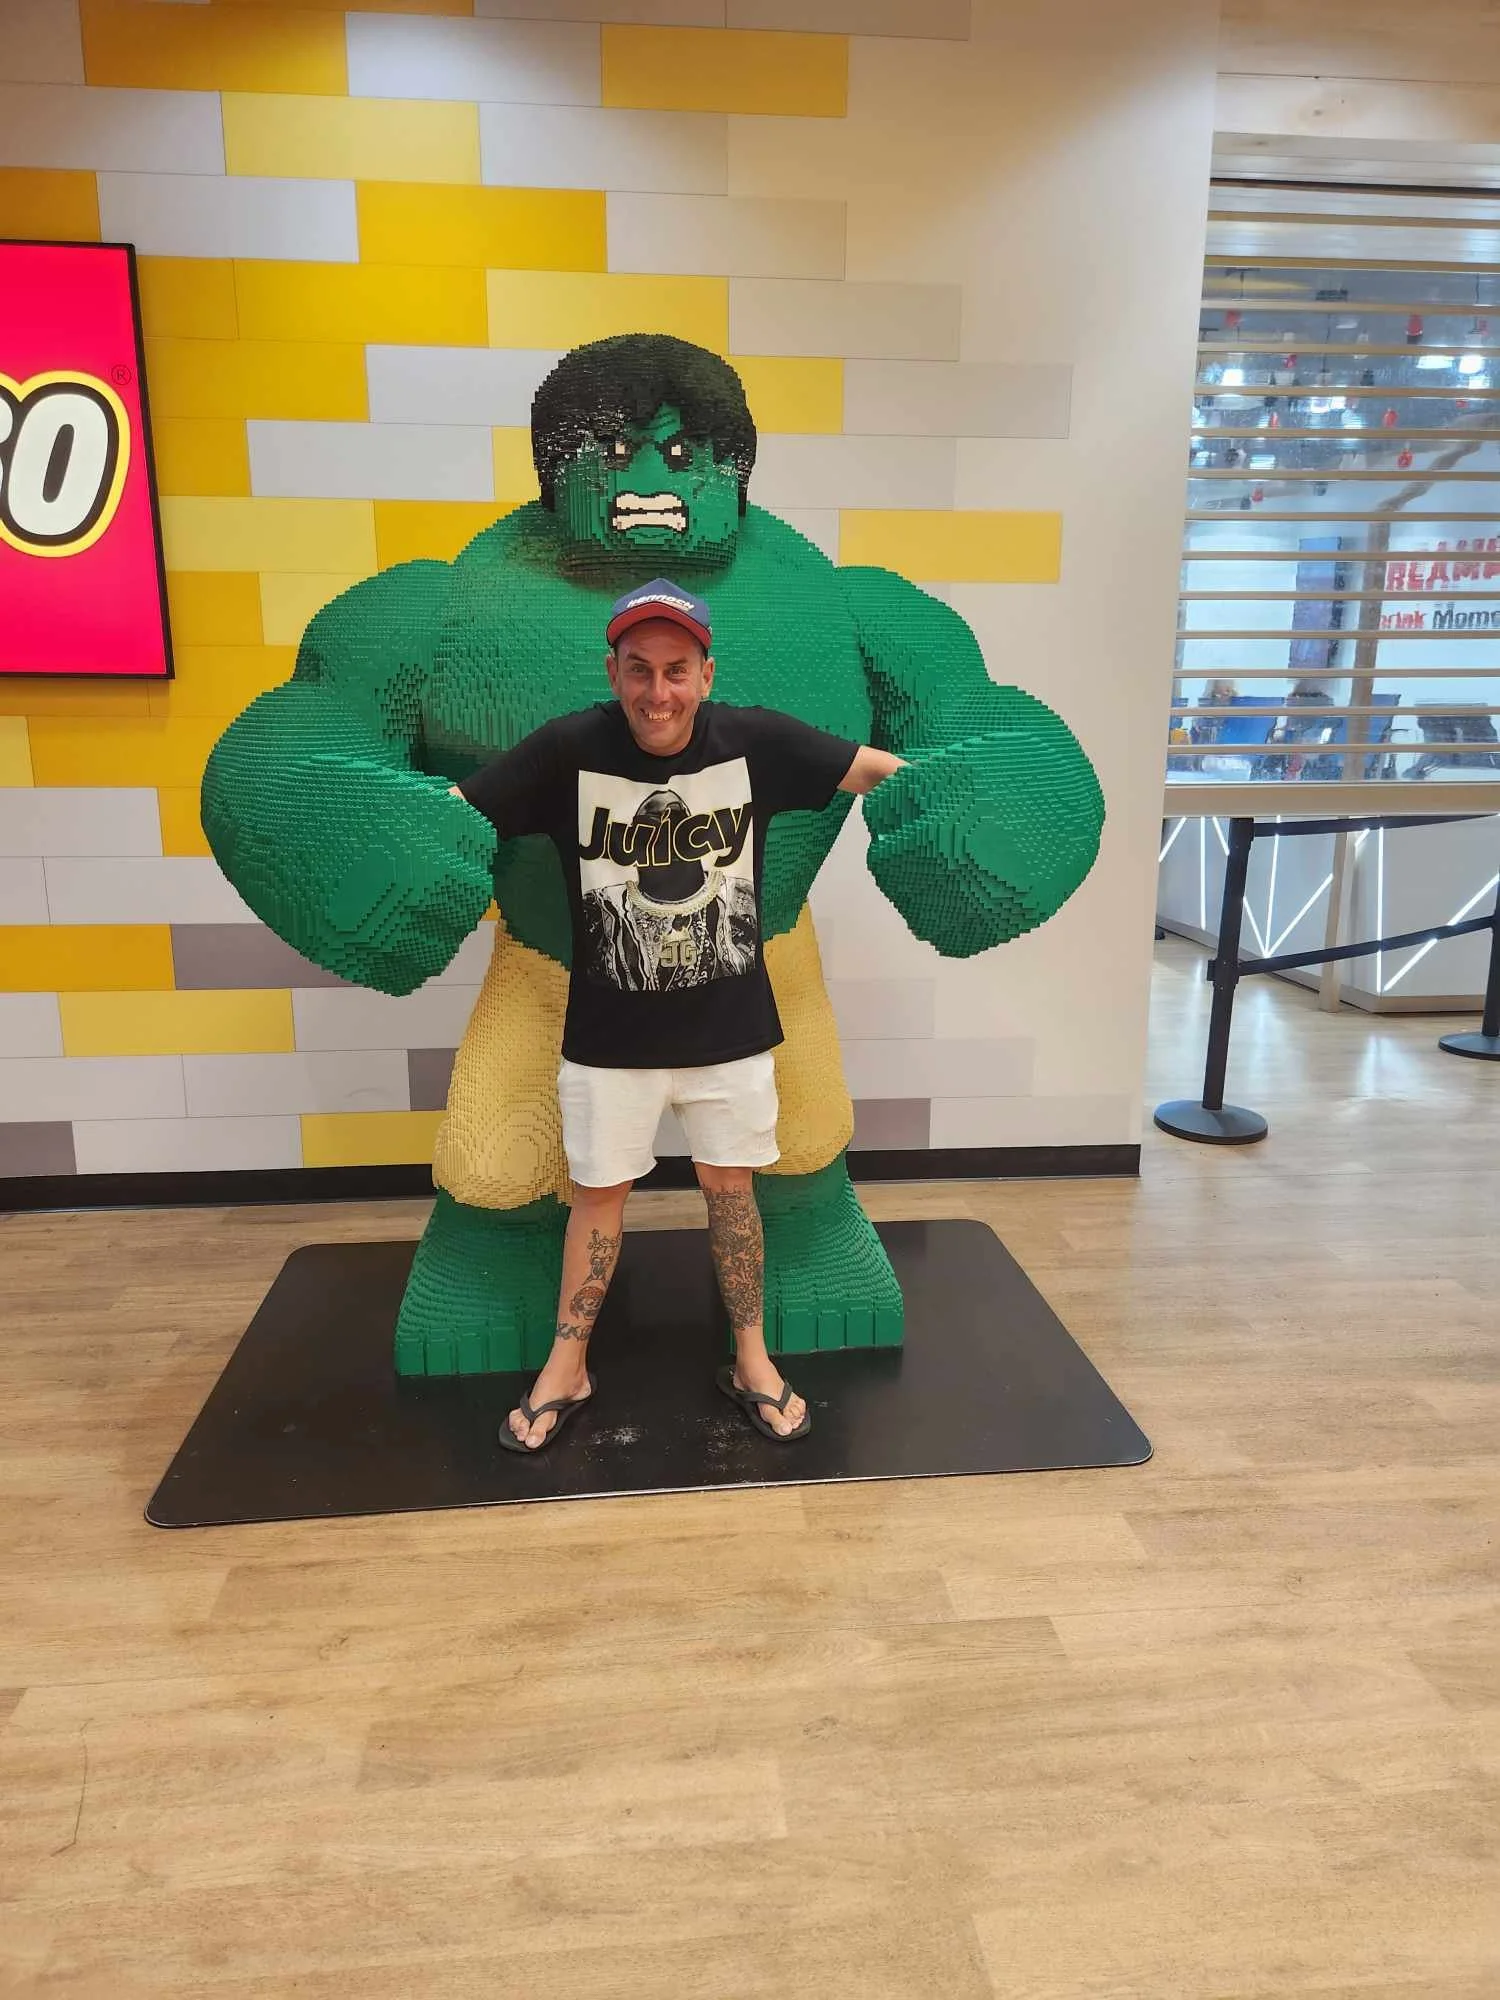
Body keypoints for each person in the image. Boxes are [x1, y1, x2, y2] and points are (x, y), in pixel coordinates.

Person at [453, 579, 905, 1453]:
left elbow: (868, 770)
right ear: (613, 671)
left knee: (733, 1198)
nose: (656, 693)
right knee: (598, 1201)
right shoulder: (569, 748)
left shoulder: (755, 740)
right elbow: (462, 814)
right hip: (609, 1038)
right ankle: (568, 1365)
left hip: (728, 1034)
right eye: (638, 670)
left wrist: (963, 789)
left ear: (705, 672)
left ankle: (752, 1362)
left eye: (675, 671)